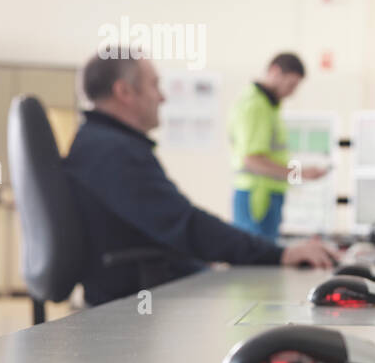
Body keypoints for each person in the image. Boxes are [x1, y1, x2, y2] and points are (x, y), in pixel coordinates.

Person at [65, 53, 338, 306]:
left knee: (261, 282)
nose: (162, 97)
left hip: (151, 274)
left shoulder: (104, 143)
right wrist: (281, 252)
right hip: (254, 203)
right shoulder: (113, 152)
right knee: (262, 292)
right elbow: (187, 221)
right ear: (124, 91)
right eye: (155, 85)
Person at [228, 53, 328, 238]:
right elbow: (252, 160)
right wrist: (300, 174)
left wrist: (301, 172)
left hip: (268, 195)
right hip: (257, 198)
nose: (292, 92)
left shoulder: (269, 107)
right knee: (257, 260)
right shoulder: (256, 106)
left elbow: (272, 156)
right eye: (291, 85)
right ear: (274, 71)